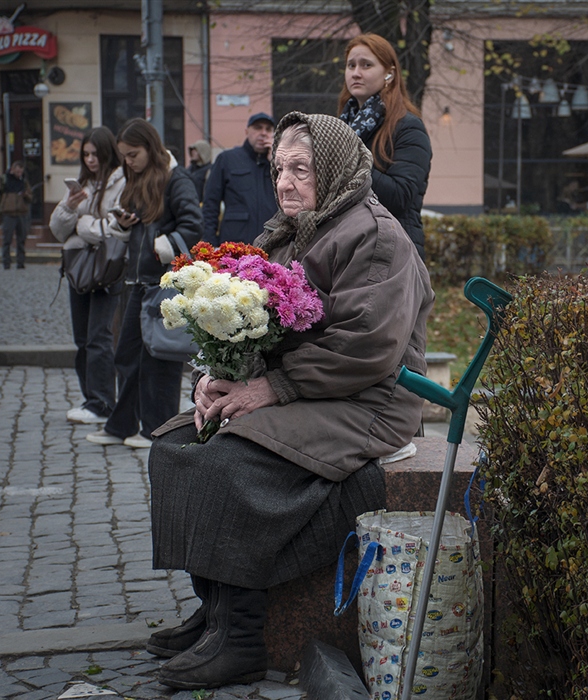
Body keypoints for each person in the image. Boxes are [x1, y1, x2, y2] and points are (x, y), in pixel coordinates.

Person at [146, 112, 435, 690]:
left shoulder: (373, 235)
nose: (284, 182)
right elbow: (247, 321)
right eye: (279, 168)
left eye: (300, 169)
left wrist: (269, 388)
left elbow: (366, 348)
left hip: (366, 399)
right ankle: (220, 608)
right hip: (308, 389)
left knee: (228, 462)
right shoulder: (286, 230)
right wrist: (215, 376)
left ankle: (243, 640)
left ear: (331, 169)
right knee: (178, 443)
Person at [86, 118, 203, 449]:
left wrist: (164, 245)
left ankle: (156, 427)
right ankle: (123, 424)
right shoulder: (138, 177)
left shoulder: (176, 178)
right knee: (129, 356)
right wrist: (124, 226)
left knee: (159, 358)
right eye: (124, 155)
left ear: (150, 149)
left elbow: (194, 224)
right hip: (138, 281)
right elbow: (136, 224)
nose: (128, 161)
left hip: (162, 281)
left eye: (133, 154)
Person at [50, 127, 126, 425]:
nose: (90, 160)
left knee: (99, 337)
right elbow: (57, 230)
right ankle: (91, 398)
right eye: (85, 154)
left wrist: (81, 224)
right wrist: (69, 207)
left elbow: (115, 228)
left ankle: (103, 402)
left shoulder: (120, 182)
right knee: (82, 338)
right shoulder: (81, 184)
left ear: (107, 152)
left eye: (95, 154)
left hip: (108, 267)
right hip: (79, 267)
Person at [338, 33, 432, 261]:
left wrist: (349, 159)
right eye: (351, 65)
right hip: (348, 248)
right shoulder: (343, 126)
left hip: (392, 253)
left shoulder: (408, 127)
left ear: (389, 73)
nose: (356, 73)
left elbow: (400, 196)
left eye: (366, 65)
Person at [201, 112, 276, 245]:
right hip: (235, 245)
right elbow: (210, 204)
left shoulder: (279, 164)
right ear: (247, 131)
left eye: (268, 129)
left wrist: (276, 163)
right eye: (258, 128)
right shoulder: (227, 159)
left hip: (271, 242)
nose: (263, 133)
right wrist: (210, 243)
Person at [0, 161, 33, 269]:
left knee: (21, 240)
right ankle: (6, 262)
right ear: (13, 170)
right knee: (7, 239)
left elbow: (31, 197)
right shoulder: (5, 180)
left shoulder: (24, 182)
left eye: (21, 171)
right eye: (17, 171)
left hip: (21, 213)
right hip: (8, 213)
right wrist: (5, 175)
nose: (19, 173)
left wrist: (26, 195)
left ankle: (20, 262)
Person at [187, 139, 213, 203]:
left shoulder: (210, 170)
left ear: (203, 152)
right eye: (192, 150)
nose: (193, 153)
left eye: (196, 150)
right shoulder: (189, 169)